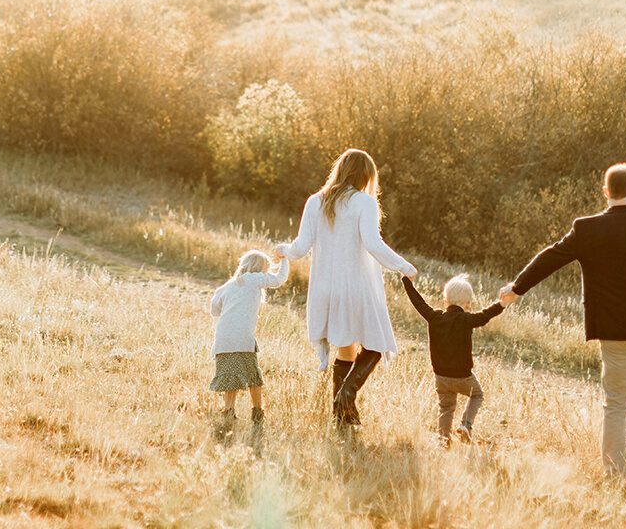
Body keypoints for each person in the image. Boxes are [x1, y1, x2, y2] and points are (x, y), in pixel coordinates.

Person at [498, 163, 626, 482]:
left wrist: (517, 288)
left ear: (605, 192)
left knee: (615, 405)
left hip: (612, 333)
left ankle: (614, 475)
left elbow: (550, 258)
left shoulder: (586, 228)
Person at [279, 148, 417, 428]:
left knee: (345, 351)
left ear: (340, 170)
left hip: (325, 290)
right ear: (365, 175)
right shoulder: (363, 203)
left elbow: (300, 248)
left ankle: (342, 416)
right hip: (356, 286)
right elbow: (374, 244)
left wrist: (281, 250)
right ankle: (347, 393)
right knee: (376, 345)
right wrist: (404, 266)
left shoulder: (315, 201)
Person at [401, 271, 505, 446]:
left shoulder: (435, 317)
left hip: (441, 377)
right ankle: (466, 424)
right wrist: (501, 303)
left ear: (445, 301)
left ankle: (443, 440)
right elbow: (485, 315)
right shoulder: (466, 319)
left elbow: (418, 303)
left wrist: (407, 282)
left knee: (446, 408)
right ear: (467, 304)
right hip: (463, 376)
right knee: (477, 395)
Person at [209, 248, 290, 433]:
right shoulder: (255, 279)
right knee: (253, 376)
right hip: (242, 337)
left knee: (229, 376)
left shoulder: (227, 286)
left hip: (223, 338)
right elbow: (279, 279)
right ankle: (257, 412)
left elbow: (214, 310)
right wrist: (284, 258)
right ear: (260, 268)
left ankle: (229, 411)